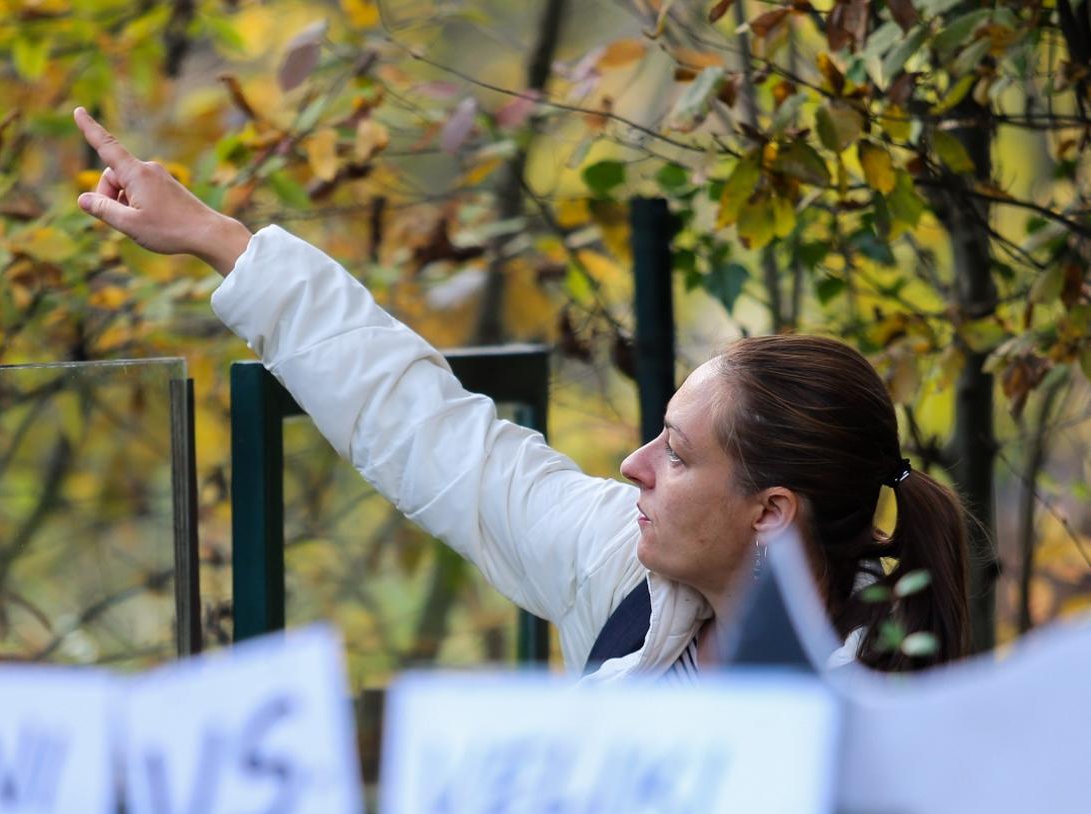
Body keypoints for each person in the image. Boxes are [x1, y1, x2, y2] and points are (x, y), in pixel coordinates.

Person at [70, 107, 971, 678]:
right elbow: (425, 430)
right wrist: (221, 241)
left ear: (770, 511)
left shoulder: (889, 712)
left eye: (677, 454)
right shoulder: (623, 569)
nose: (634, 465)